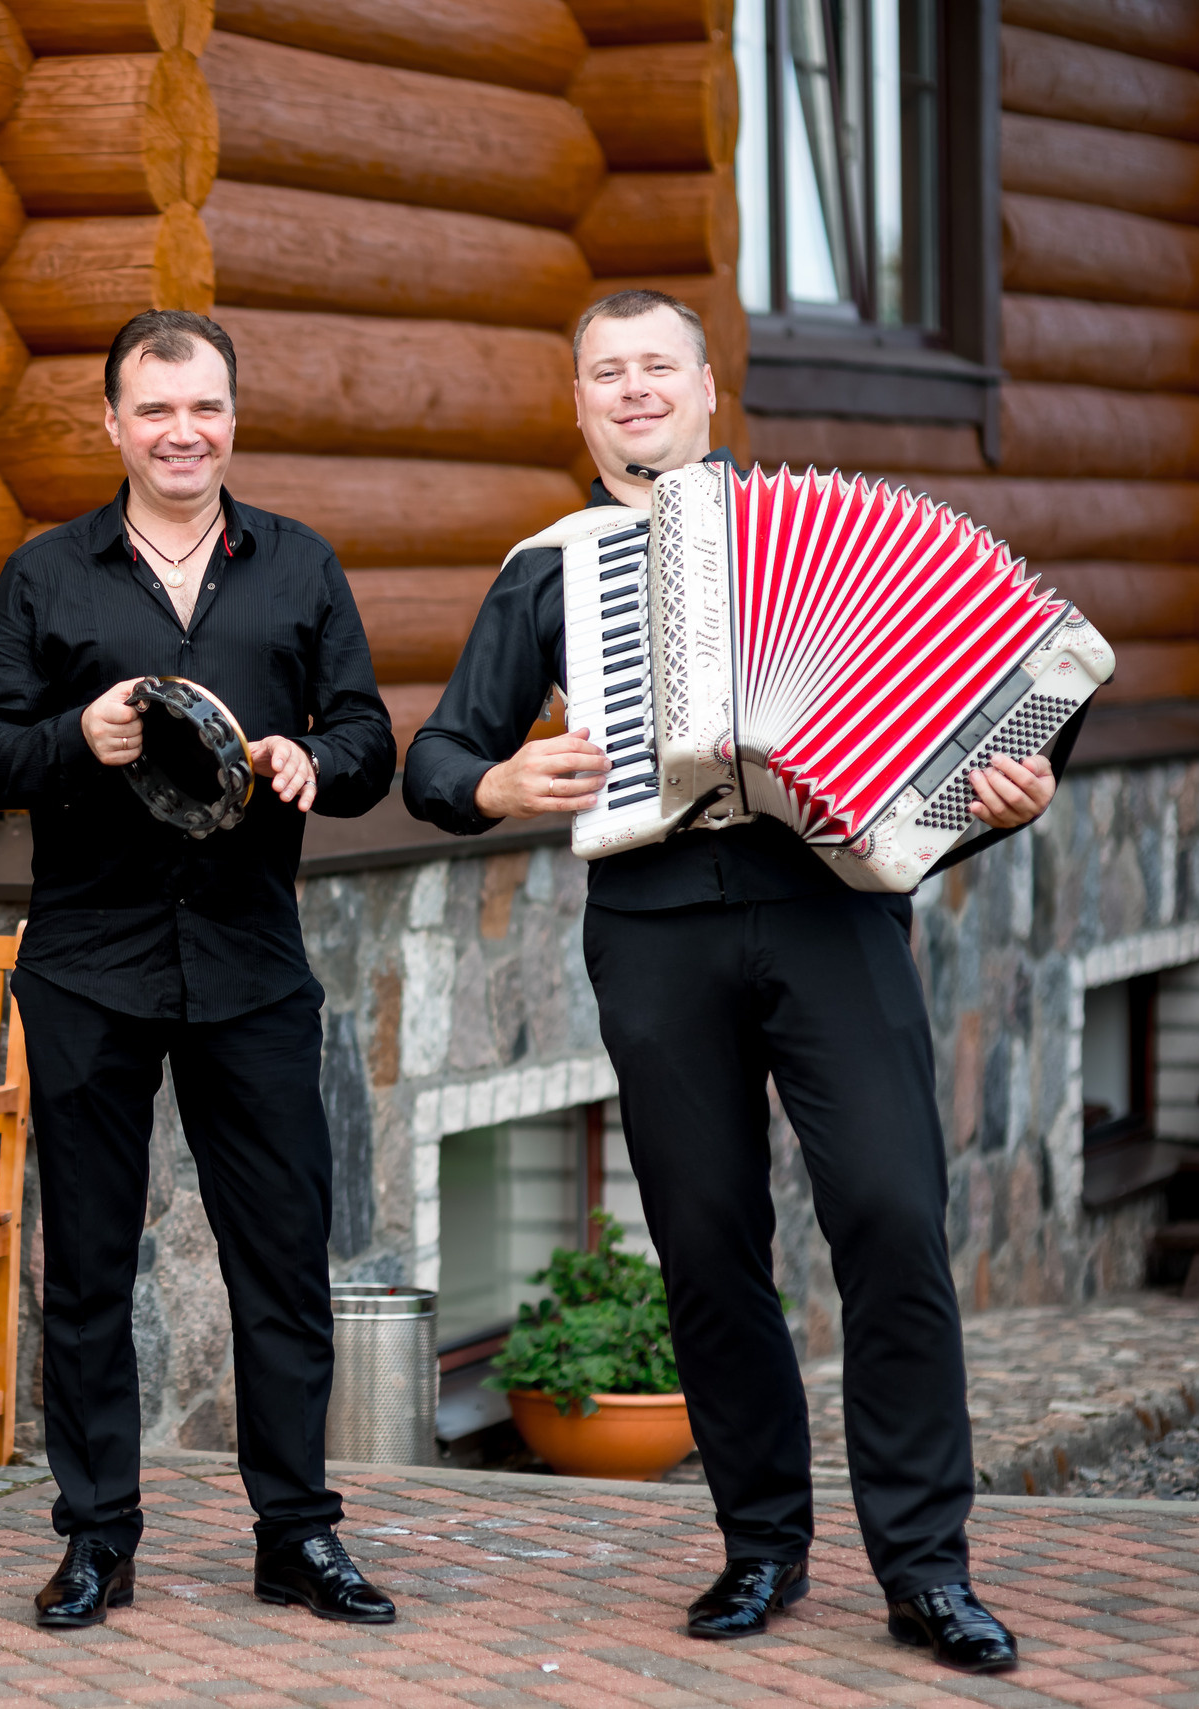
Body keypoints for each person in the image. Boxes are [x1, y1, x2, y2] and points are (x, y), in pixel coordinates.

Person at [406, 290, 1070, 1674]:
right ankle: (761, 1542)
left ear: (709, 388)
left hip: (832, 914)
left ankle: (927, 1569)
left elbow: (970, 728)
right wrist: (498, 780)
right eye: (607, 372)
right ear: (578, 405)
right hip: (654, 928)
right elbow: (437, 761)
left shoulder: (828, 536)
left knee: (893, 1214)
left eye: (657, 365)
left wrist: (1003, 797)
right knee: (706, 1240)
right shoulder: (551, 567)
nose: (634, 389)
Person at [0, 310, 400, 1628]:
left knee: (282, 1260)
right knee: (90, 1267)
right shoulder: (46, 573)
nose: (181, 431)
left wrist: (318, 758)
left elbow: (368, 734)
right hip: (87, 962)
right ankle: (98, 1538)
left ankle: (297, 1533)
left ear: (232, 418)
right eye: (154, 409)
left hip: (252, 962)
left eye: (203, 407)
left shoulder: (301, 565)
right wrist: (69, 737)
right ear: (113, 424)